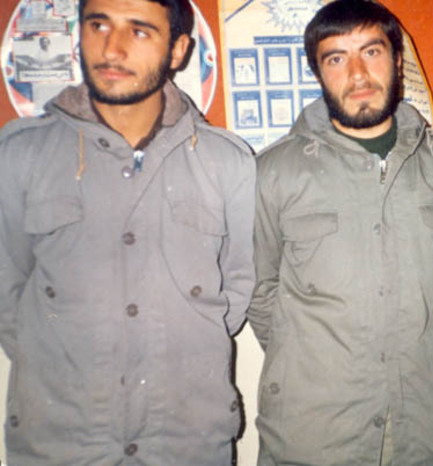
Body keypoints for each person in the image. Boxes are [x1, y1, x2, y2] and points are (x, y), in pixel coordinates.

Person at [0, 0, 255, 464]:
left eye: (139, 31)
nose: (112, 48)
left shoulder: (226, 161)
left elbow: (236, 292)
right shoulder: (19, 154)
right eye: (98, 25)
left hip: (186, 444)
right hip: (62, 448)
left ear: (178, 50)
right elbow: (8, 297)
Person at [249, 0, 433, 464]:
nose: (357, 74)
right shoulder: (273, 172)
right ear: (318, 72)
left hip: (423, 430)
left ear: (397, 60)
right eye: (336, 58)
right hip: (315, 434)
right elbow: (258, 290)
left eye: (371, 52)